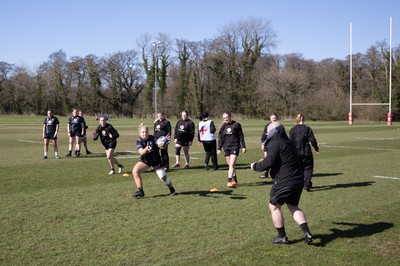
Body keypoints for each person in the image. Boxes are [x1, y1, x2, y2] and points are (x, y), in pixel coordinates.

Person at [250, 121, 313, 245]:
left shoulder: (275, 143)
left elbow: (268, 163)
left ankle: (282, 236)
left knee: (274, 206)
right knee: (293, 206)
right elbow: (281, 159)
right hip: (298, 180)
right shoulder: (288, 143)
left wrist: (255, 166)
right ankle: (307, 232)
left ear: (273, 132)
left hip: (285, 181)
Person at [132, 124, 176, 198]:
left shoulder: (153, 138)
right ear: (140, 133)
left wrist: (164, 141)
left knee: (163, 178)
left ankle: (171, 188)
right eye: (143, 132)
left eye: (146, 132)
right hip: (145, 161)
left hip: (156, 161)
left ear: (148, 132)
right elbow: (141, 152)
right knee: (135, 171)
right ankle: (140, 191)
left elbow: (160, 144)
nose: (144, 133)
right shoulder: (139, 141)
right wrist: (146, 149)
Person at [289, 114, 320, 192]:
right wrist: (316, 148)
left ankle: (304, 183)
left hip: (296, 152)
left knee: (300, 169)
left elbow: (290, 142)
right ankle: (306, 184)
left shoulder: (292, 130)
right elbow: (312, 140)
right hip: (306, 152)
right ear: (304, 119)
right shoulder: (307, 129)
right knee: (308, 168)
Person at [217, 112, 246, 188]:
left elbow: (241, 136)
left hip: (234, 146)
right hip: (226, 147)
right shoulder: (223, 126)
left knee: (232, 164)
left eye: (226, 117)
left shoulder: (236, 125)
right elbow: (220, 138)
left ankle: (229, 181)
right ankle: (235, 181)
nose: (225, 119)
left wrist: (243, 146)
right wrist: (219, 147)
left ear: (230, 117)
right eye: (224, 118)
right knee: (230, 165)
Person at [259, 113, 278, 178]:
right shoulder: (267, 126)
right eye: (272, 118)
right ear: (270, 119)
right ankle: (265, 173)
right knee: (267, 159)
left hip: (276, 146)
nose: (274, 120)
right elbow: (264, 136)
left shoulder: (279, 126)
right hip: (268, 145)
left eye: (275, 119)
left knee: (276, 159)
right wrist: (262, 144)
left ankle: (276, 173)